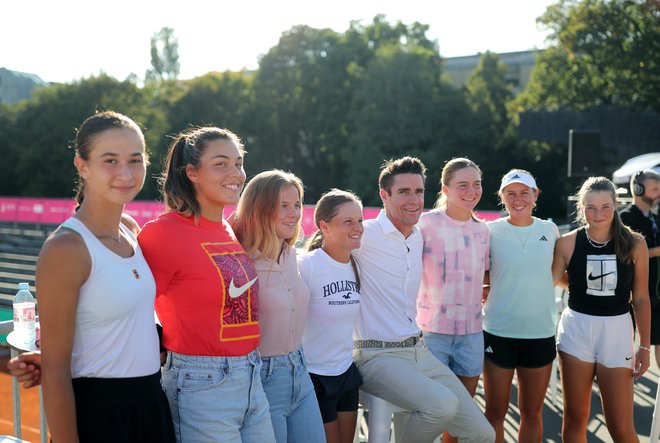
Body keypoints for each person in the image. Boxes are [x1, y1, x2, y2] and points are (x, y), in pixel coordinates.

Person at [35, 111, 174, 442]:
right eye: (110, 160)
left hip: (152, 404)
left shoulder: (130, 229)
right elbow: (54, 371)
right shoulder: (66, 248)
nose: (125, 173)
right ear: (82, 166)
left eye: (135, 160)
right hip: (101, 415)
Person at [137, 127, 275, 442]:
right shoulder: (164, 233)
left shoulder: (226, 228)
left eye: (238, 163)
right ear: (192, 173)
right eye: (221, 164)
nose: (236, 173)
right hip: (201, 383)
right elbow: (134, 308)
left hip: (251, 377)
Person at [352, 156, 495, 443]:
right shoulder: (363, 234)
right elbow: (317, 251)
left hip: (419, 349)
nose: (414, 199)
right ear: (384, 195)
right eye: (404, 192)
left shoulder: (418, 236)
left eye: (419, 191)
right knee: (441, 405)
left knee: (483, 434)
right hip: (374, 354)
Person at [552, 176, 651, 442]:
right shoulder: (567, 243)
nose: (598, 214)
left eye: (605, 206)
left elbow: (641, 298)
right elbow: (552, 280)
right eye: (591, 207)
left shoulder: (635, 243)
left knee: (620, 425)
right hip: (577, 328)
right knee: (575, 418)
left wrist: (644, 347)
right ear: (581, 207)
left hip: (617, 330)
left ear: (616, 205)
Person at [230, 170, 325, 443]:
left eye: (296, 205)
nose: (294, 213)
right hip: (263, 378)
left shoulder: (290, 254)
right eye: (283, 206)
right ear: (260, 209)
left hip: (300, 370)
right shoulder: (241, 262)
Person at [482, 169, 559, 443]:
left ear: (535, 195)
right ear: (502, 197)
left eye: (524, 192)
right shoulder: (489, 231)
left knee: (532, 412)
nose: (518, 199)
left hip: (540, 333)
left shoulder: (549, 230)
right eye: (511, 193)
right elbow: (480, 272)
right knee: (495, 413)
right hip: (498, 332)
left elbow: (559, 273)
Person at [416, 158, 488, 400]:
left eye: (476, 184)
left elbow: (484, 275)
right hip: (431, 333)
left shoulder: (483, 231)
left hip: (472, 334)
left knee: (462, 413)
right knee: (433, 410)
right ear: (445, 189)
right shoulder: (425, 223)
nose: (472, 191)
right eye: (463, 185)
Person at [299, 189, 364, 443]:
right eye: (348, 221)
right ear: (324, 226)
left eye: (359, 220)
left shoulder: (357, 263)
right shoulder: (308, 264)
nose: (357, 227)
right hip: (314, 376)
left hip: (345, 372)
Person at [619, 169, 660, 367]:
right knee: (627, 346)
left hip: (656, 292)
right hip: (636, 293)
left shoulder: (655, 218)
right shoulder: (625, 218)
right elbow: (626, 254)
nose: (659, 193)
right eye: (655, 189)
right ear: (638, 188)